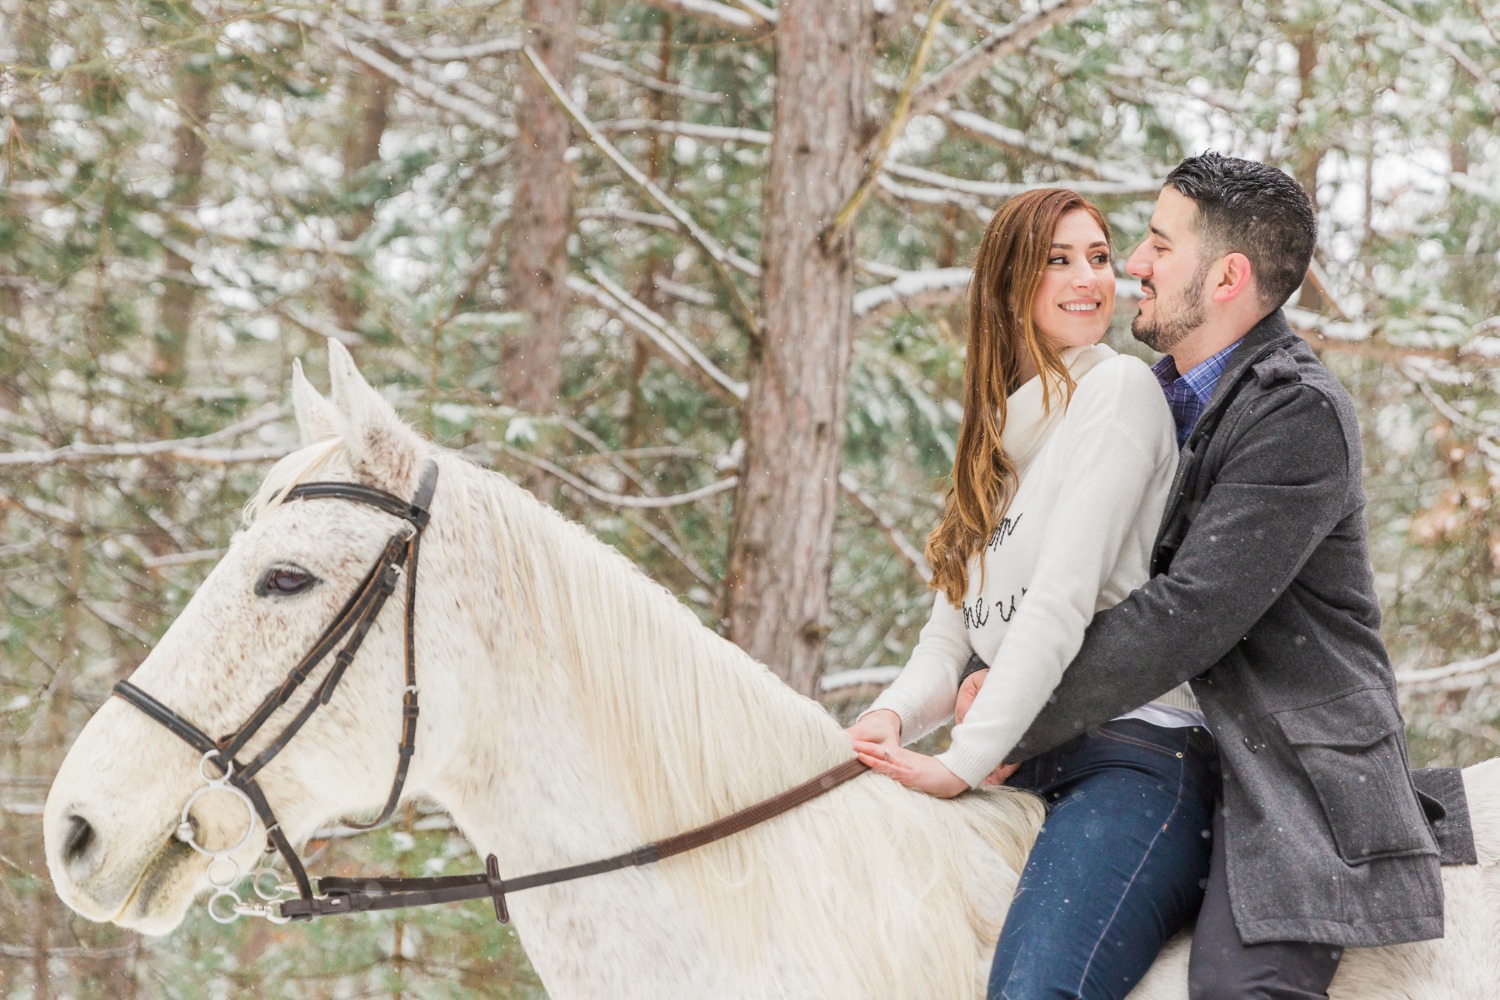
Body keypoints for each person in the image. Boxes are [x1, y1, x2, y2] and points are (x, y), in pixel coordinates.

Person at [984, 152, 1469, 998]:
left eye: (1158, 246)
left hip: (1284, 771)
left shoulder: (1295, 410)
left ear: (1227, 277)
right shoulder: (1144, 396)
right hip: (1148, 743)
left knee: (1239, 991)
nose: (1133, 262)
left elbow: (1188, 612)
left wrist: (1010, 718)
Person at [846, 187, 1218, 1000]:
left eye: (1097, 257)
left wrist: (962, 764)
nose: (1089, 278)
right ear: (1010, 282)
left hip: (1135, 754)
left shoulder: (1118, 393)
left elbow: (1058, 603)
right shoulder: (995, 445)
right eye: (1058, 260)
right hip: (1029, 757)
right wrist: (887, 720)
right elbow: (950, 642)